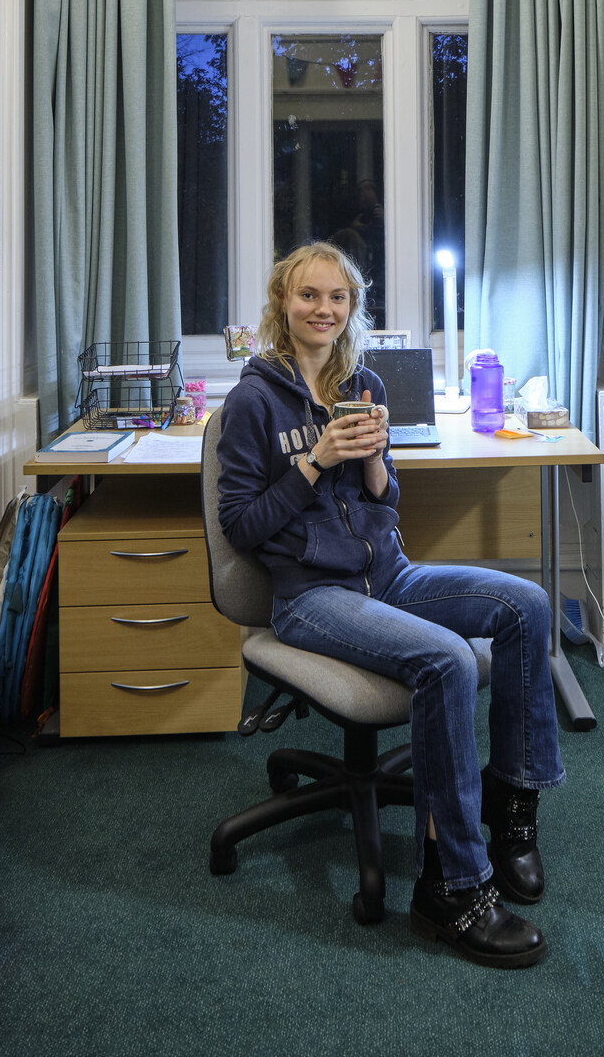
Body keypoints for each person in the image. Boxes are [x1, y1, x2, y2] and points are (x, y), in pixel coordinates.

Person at [217, 240, 564, 969]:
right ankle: (452, 886)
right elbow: (243, 526)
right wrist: (316, 460)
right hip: (310, 596)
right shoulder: (252, 400)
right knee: (446, 661)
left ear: (352, 308)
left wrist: (373, 456)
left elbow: (387, 499)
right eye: (309, 295)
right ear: (284, 301)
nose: (323, 309)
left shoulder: (363, 380)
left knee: (527, 605)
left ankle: (511, 815)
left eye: (337, 298)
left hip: (389, 573)